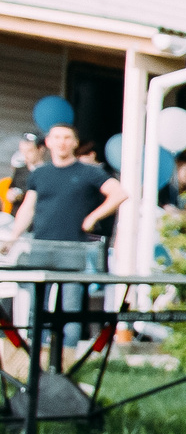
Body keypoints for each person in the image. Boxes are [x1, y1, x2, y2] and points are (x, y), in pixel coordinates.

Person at [8, 119, 128, 371]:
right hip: (41, 248)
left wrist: (93, 217)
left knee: (71, 308)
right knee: (36, 308)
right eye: (57, 138)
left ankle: (67, 364)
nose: (61, 143)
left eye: (66, 138)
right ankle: (36, 363)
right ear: (48, 143)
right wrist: (13, 237)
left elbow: (119, 193)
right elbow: (28, 208)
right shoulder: (39, 174)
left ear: (74, 143)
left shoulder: (88, 172)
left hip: (73, 250)